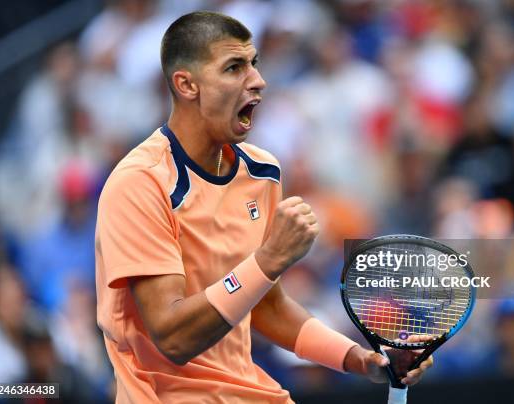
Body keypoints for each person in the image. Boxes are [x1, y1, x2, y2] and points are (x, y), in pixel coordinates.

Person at [95, 11, 432, 403]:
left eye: (253, 63)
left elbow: (266, 306)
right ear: (187, 85)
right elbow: (173, 337)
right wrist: (269, 258)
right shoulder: (140, 183)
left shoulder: (262, 172)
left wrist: (360, 359)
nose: (258, 80)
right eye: (234, 67)